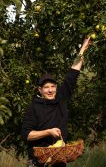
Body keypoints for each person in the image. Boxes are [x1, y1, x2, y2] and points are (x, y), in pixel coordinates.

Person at [21, 37, 91, 167]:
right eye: (46, 87)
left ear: (56, 88)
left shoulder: (61, 98)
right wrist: (48, 132)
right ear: (40, 90)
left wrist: (82, 49)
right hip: (38, 162)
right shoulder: (33, 107)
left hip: (59, 160)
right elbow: (27, 135)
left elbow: (72, 74)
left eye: (52, 86)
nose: (50, 90)